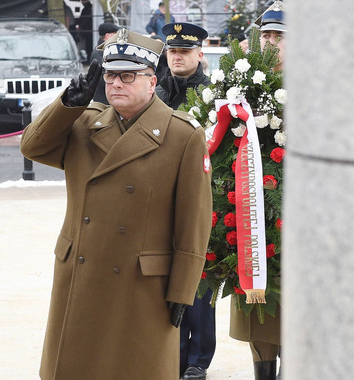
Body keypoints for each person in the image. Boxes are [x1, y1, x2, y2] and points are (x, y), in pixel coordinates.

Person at [21, 28, 213, 380]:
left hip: (143, 286)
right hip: (82, 275)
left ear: (152, 82)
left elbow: (194, 223)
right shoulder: (83, 123)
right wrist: (68, 103)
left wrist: (183, 291)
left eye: (128, 76)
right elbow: (32, 148)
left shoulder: (183, 135)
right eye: (110, 75)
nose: (116, 84)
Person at [228, 3, 285, 379]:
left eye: (279, 36)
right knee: (257, 308)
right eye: (265, 34)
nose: (269, 41)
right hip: (248, 207)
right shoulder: (240, 85)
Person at [156, 22, 214, 380]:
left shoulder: (214, 93)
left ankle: (198, 360)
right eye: (172, 51)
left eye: (184, 52)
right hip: (163, 199)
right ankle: (172, 356)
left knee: (200, 280)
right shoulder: (157, 91)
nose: (177, 57)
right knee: (166, 279)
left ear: (199, 55)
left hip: (201, 196)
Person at [91, 22, 119, 104]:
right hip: (103, 99)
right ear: (108, 36)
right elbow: (100, 75)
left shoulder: (109, 49)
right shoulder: (99, 52)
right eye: (115, 34)